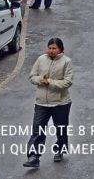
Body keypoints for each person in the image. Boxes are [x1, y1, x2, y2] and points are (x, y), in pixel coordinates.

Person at [23, 38, 74, 168]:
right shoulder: (41, 59)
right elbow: (32, 76)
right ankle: (34, 156)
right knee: (37, 130)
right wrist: (40, 79)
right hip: (41, 103)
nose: (51, 51)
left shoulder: (66, 62)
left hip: (60, 103)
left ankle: (60, 150)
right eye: (49, 48)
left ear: (60, 49)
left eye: (54, 48)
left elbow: (68, 82)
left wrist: (50, 82)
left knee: (60, 130)